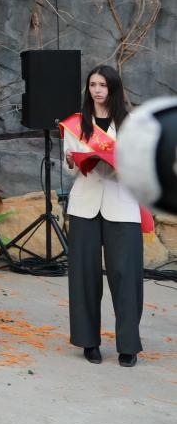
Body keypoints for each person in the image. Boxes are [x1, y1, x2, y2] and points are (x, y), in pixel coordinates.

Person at [63, 65, 143, 367]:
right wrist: (72, 161)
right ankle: (88, 341)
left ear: (113, 88)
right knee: (84, 274)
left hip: (122, 203)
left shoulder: (132, 123)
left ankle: (129, 345)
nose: (97, 90)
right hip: (84, 204)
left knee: (126, 275)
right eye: (93, 84)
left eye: (103, 85)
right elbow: (70, 168)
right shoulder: (75, 123)